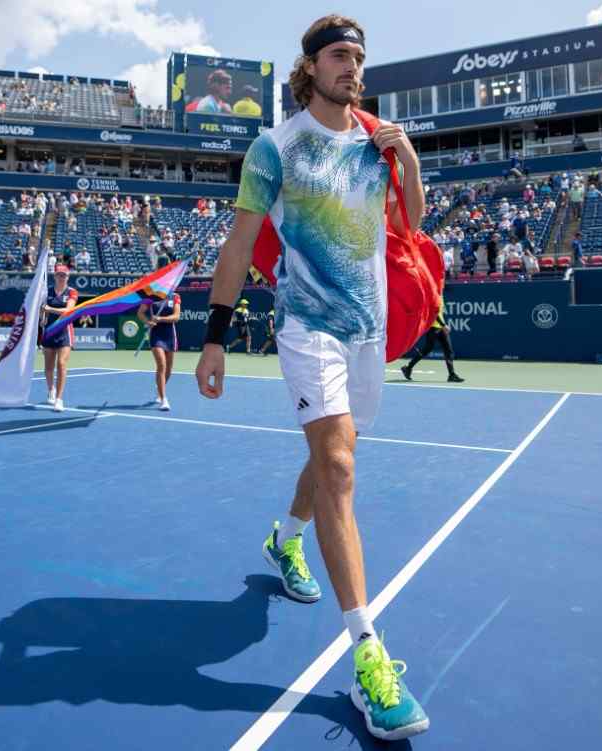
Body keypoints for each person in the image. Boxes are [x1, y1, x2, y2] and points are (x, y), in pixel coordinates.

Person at [195, 14, 429, 741]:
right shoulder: (275, 148)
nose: (352, 66)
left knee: (334, 455)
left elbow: (412, 225)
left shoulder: (376, 139)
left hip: (368, 330)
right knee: (337, 464)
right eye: (340, 55)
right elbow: (239, 245)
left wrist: (411, 161)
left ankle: (285, 537)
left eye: (359, 57)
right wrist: (214, 338)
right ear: (310, 67)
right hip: (307, 326)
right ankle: (369, 656)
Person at [41, 264, 78, 412]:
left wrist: (50, 309)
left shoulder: (72, 292)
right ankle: (51, 390)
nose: (61, 277)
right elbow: (42, 309)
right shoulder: (46, 291)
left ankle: (59, 399)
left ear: (68, 277)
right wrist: (42, 316)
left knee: (61, 364)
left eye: (64, 275)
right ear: (54, 276)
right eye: (58, 275)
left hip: (64, 332)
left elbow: (68, 310)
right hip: (49, 331)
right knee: (49, 367)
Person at [401, 295, 463, 382]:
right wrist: (443, 325)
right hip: (432, 328)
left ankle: (451, 375)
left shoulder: (441, 296)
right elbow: (434, 312)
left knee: (448, 350)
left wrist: (442, 326)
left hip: (440, 329)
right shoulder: (433, 295)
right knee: (427, 349)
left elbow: (439, 313)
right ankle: (408, 368)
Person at [137, 292, 181, 411]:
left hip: (170, 335)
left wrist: (160, 318)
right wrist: (148, 322)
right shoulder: (150, 297)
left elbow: (176, 317)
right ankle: (163, 399)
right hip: (156, 335)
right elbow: (140, 313)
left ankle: (160, 388)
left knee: (169, 369)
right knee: (161, 365)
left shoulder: (175, 296)